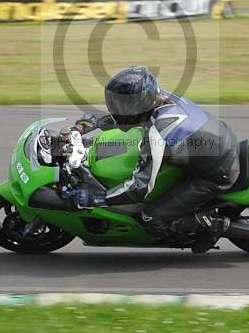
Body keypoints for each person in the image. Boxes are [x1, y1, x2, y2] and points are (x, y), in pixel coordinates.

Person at [70, 66, 240, 253]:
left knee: (151, 217)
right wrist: (91, 123)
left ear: (138, 103)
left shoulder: (158, 134)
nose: (116, 107)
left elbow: (142, 187)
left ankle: (210, 226)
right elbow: (129, 118)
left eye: (121, 103)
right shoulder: (159, 98)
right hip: (218, 139)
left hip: (217, 172)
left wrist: (98, 198)